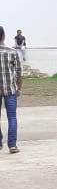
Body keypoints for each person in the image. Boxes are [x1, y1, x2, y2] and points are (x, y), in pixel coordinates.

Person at [0, 26, 22, 154]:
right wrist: (19, 88)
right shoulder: (12, 52)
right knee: (12, 117)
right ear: (4, 36)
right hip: (11, 89)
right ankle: (12, 145)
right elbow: (19, 73)